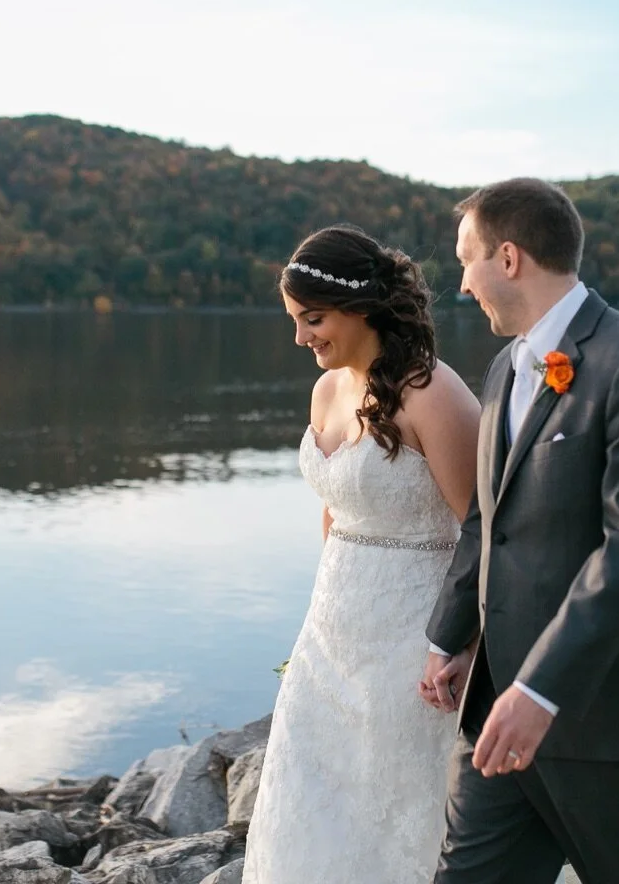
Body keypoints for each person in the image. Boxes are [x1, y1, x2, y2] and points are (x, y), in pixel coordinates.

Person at [421, 177, 619, 884]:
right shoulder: (502, 368)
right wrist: (450, 635)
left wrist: (542, 689)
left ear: (509, 258)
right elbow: (486, 521)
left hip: (603, 717)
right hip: (496, 705)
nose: (462, 284)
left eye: (468, 260)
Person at [241, 225, 482, 884]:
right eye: (294, 321)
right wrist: (327, 617)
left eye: (312, 319)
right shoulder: (326, 391)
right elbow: (337, 507)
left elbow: (485, 531)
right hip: (329, 638)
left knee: (391, 811)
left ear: (359, 308)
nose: (301, 337)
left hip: (412, 644)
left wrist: (459, 641)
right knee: (310, 805)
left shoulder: (434, 395)